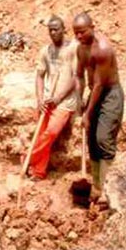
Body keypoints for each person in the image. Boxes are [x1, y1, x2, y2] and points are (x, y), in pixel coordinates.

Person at [73, 12, 124, 207]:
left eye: (82, 32)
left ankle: (109, 190)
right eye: (75, 33)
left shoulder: (103, 49)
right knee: (92, 140)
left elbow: (99, 84)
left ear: (92, 28)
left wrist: (87, 113)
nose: (78, 37)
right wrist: (79, 101)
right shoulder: (80, 49)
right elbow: (79, 76)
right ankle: (96, 186)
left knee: (104, 139)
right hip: (94, 93)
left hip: (109, 94)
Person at [26, 15, 78, 180]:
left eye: (56, 29)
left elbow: (76, 78)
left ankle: (27, 159)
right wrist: (40, 99)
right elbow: (39, 76)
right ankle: (39, 171)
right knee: (41, 132)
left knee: (50, 133)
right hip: (48, 100)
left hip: (66, 102)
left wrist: (58, 97)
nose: (53, 32)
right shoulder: (45, 51)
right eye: (51, 30)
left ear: (64, 30)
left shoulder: (73, 49)